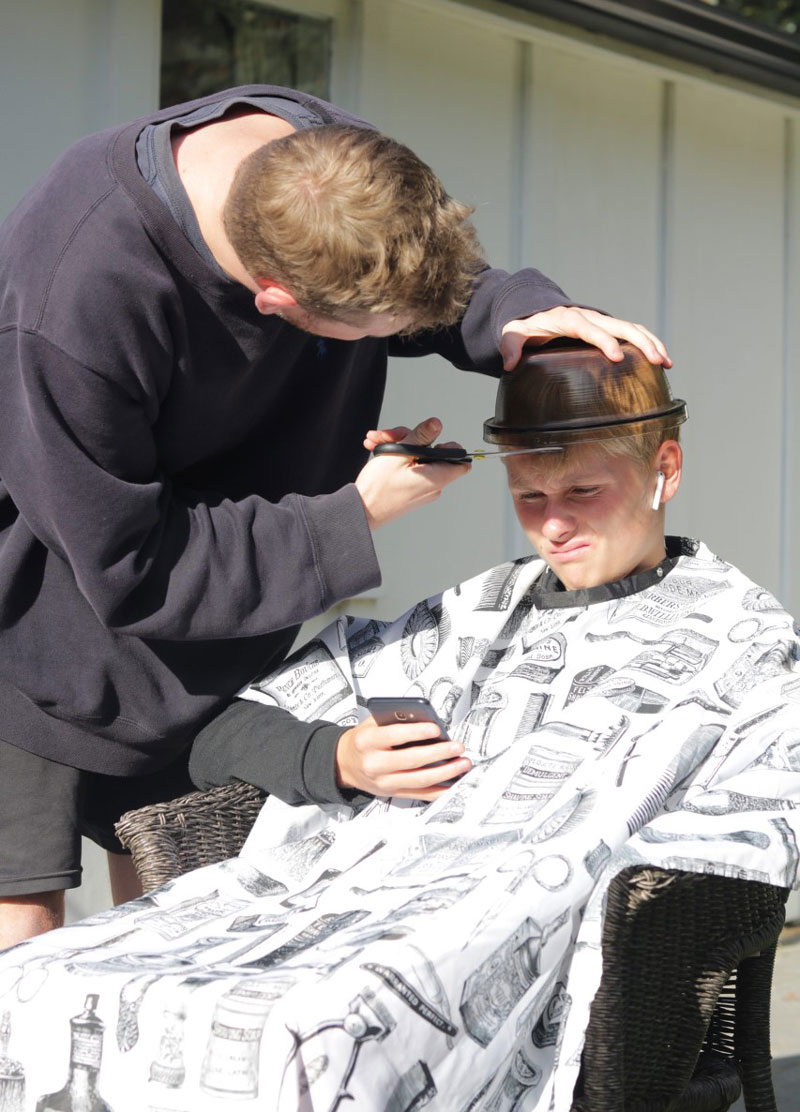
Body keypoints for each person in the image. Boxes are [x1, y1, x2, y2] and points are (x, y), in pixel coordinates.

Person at [0, 342, 796, 1112]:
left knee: (311, 1033)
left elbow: (760, 825)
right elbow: (209, 727)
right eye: (528, 496)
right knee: (46, 980)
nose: (553, 526)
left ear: (666, 469)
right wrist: (337, 755)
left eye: (584, 493)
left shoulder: (747, 637)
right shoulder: (466, 616)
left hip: (480, 951)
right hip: (323, 917)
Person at [0, 84, 670, 948]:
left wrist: (521, 316)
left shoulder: (328, 166)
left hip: (220, 637)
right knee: (24, 928)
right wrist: (354, 514)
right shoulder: (76, 300)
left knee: (179, 914)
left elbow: (432, 282)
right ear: (274, 301)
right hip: (37, 633)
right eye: (387, 333)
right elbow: (134, 568)